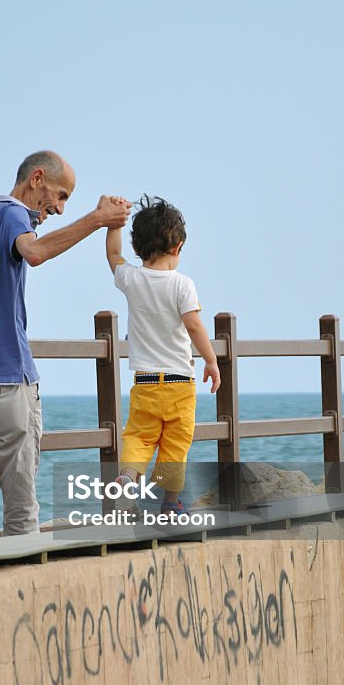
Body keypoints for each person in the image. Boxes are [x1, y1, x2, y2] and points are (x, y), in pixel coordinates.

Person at [0, 150, 131, 541]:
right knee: (21, 513)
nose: (61, 209)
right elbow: (36, 252)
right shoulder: (13, 215)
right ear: (37, 178)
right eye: (61, 195)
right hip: (8, 383)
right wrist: (98, 220)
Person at [106, 195, 220, 516]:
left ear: (137, 247)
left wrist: (113, 223)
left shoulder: (131, 279)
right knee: (174, 447)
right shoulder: (183, 284)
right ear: (178, 246)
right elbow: (194, 326)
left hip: (144, 383)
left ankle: (127, 482)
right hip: (179, 384)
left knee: (139, 440)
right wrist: (211, 361)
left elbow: (113, 253)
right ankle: (169, 505)